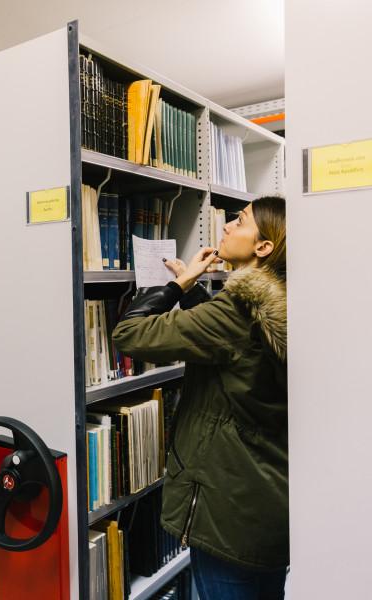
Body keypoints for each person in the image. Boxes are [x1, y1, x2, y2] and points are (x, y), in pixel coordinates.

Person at [112, 196, 288, 600]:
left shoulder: (234, 314)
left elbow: (129, 335)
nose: (226, 225)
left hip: (227, 515)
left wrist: (179, 285)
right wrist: (194, 300)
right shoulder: (278, 304)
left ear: (263, 247)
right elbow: (232, 349)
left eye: (240, 221)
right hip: (265, 505)